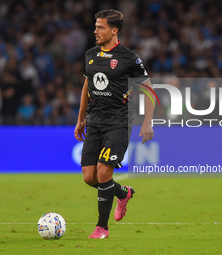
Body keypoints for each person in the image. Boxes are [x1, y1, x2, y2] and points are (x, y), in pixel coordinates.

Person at [74, 10, 155, 239]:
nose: (95, 31)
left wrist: (147, 122)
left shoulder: (129, 58)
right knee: (89, 177)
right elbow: (87, 87)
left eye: (100, 27)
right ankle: (123, 192)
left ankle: (102, 227)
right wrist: (81, 119)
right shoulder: (90, 55)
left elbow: (149, 90)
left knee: (103, 171)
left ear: (114, 30)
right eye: (95, 27)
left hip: (118, 124)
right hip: (94, 123)